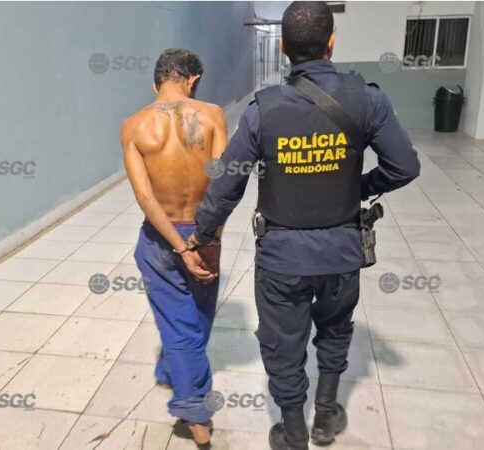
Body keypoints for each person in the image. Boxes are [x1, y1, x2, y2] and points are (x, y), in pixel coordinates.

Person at [188, 2, 421, 449]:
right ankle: (326, 417)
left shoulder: (263, 110)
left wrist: (201, 234)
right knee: (335, 331)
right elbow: (405, 166)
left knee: (282, 344)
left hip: (282, 258)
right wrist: (359, 187)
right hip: (342, 252)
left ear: (282, 48)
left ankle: (293, 430)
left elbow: (227, 184)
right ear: (332, 42)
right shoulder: (367, 99)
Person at [120, 48, 227, 446]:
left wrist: (180, 247)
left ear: (156, 84)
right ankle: (195, 410)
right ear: (192, 79)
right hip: (203, 230)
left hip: (159, 238)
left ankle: (173, 370)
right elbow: (222, 187)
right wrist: (206, 241)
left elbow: (145, 198)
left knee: (183, 323)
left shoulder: (133, 126)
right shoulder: (212, 115)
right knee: (191, 324)